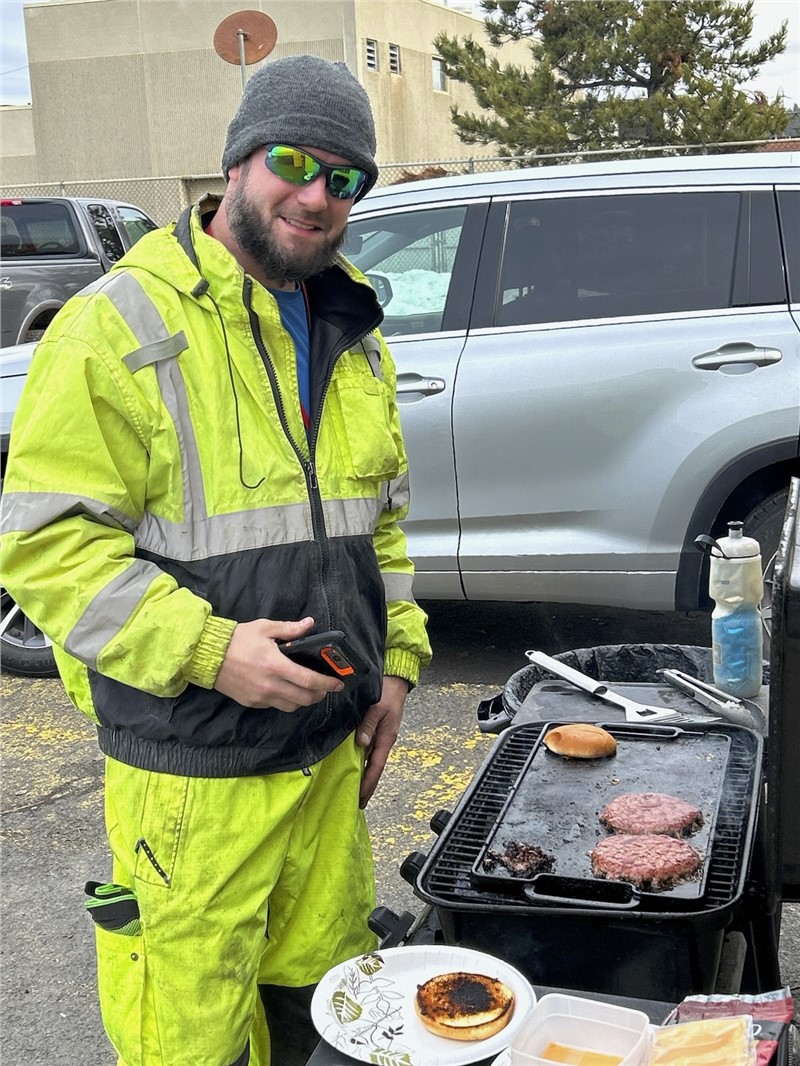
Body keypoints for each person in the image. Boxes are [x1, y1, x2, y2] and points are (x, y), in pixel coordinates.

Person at [0, 55, 431, 1066]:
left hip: (328, 760)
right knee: (190, 1038)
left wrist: (398, 664)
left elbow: (383, 523)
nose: (315, 194)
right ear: (235, 162)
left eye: (344, 178)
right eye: (293, 161)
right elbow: (44, 542)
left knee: (322, 1013)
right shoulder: (119, 326)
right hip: (193, 771)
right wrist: (208, 647)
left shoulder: (349, 327)